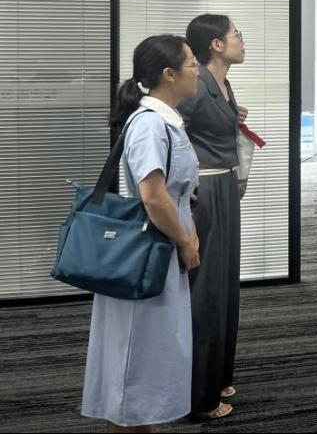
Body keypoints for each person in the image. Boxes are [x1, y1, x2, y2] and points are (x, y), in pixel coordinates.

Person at [82, 35, 201, 433]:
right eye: (191, 63)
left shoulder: (164, 120)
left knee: (148, 362)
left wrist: (187, 230)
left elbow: (174, 192)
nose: (197, 70)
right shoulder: (150, 124)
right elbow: (153, 196)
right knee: (135, 363)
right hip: (150, 249)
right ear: (169, 74)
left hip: (162, 242)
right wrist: (185, 239)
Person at [178, 14, 248, 419]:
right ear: (216, 45)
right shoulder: (197, 83)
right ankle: (199, 398)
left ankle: (218, 376)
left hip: (225, 185)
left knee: (224, 287)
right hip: (205, 191)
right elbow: (174, 131)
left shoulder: (221, 81)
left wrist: (232, 116)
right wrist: (188, 182)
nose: (242, 40)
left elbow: (207, 126)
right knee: (205, 290)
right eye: (236, 35)